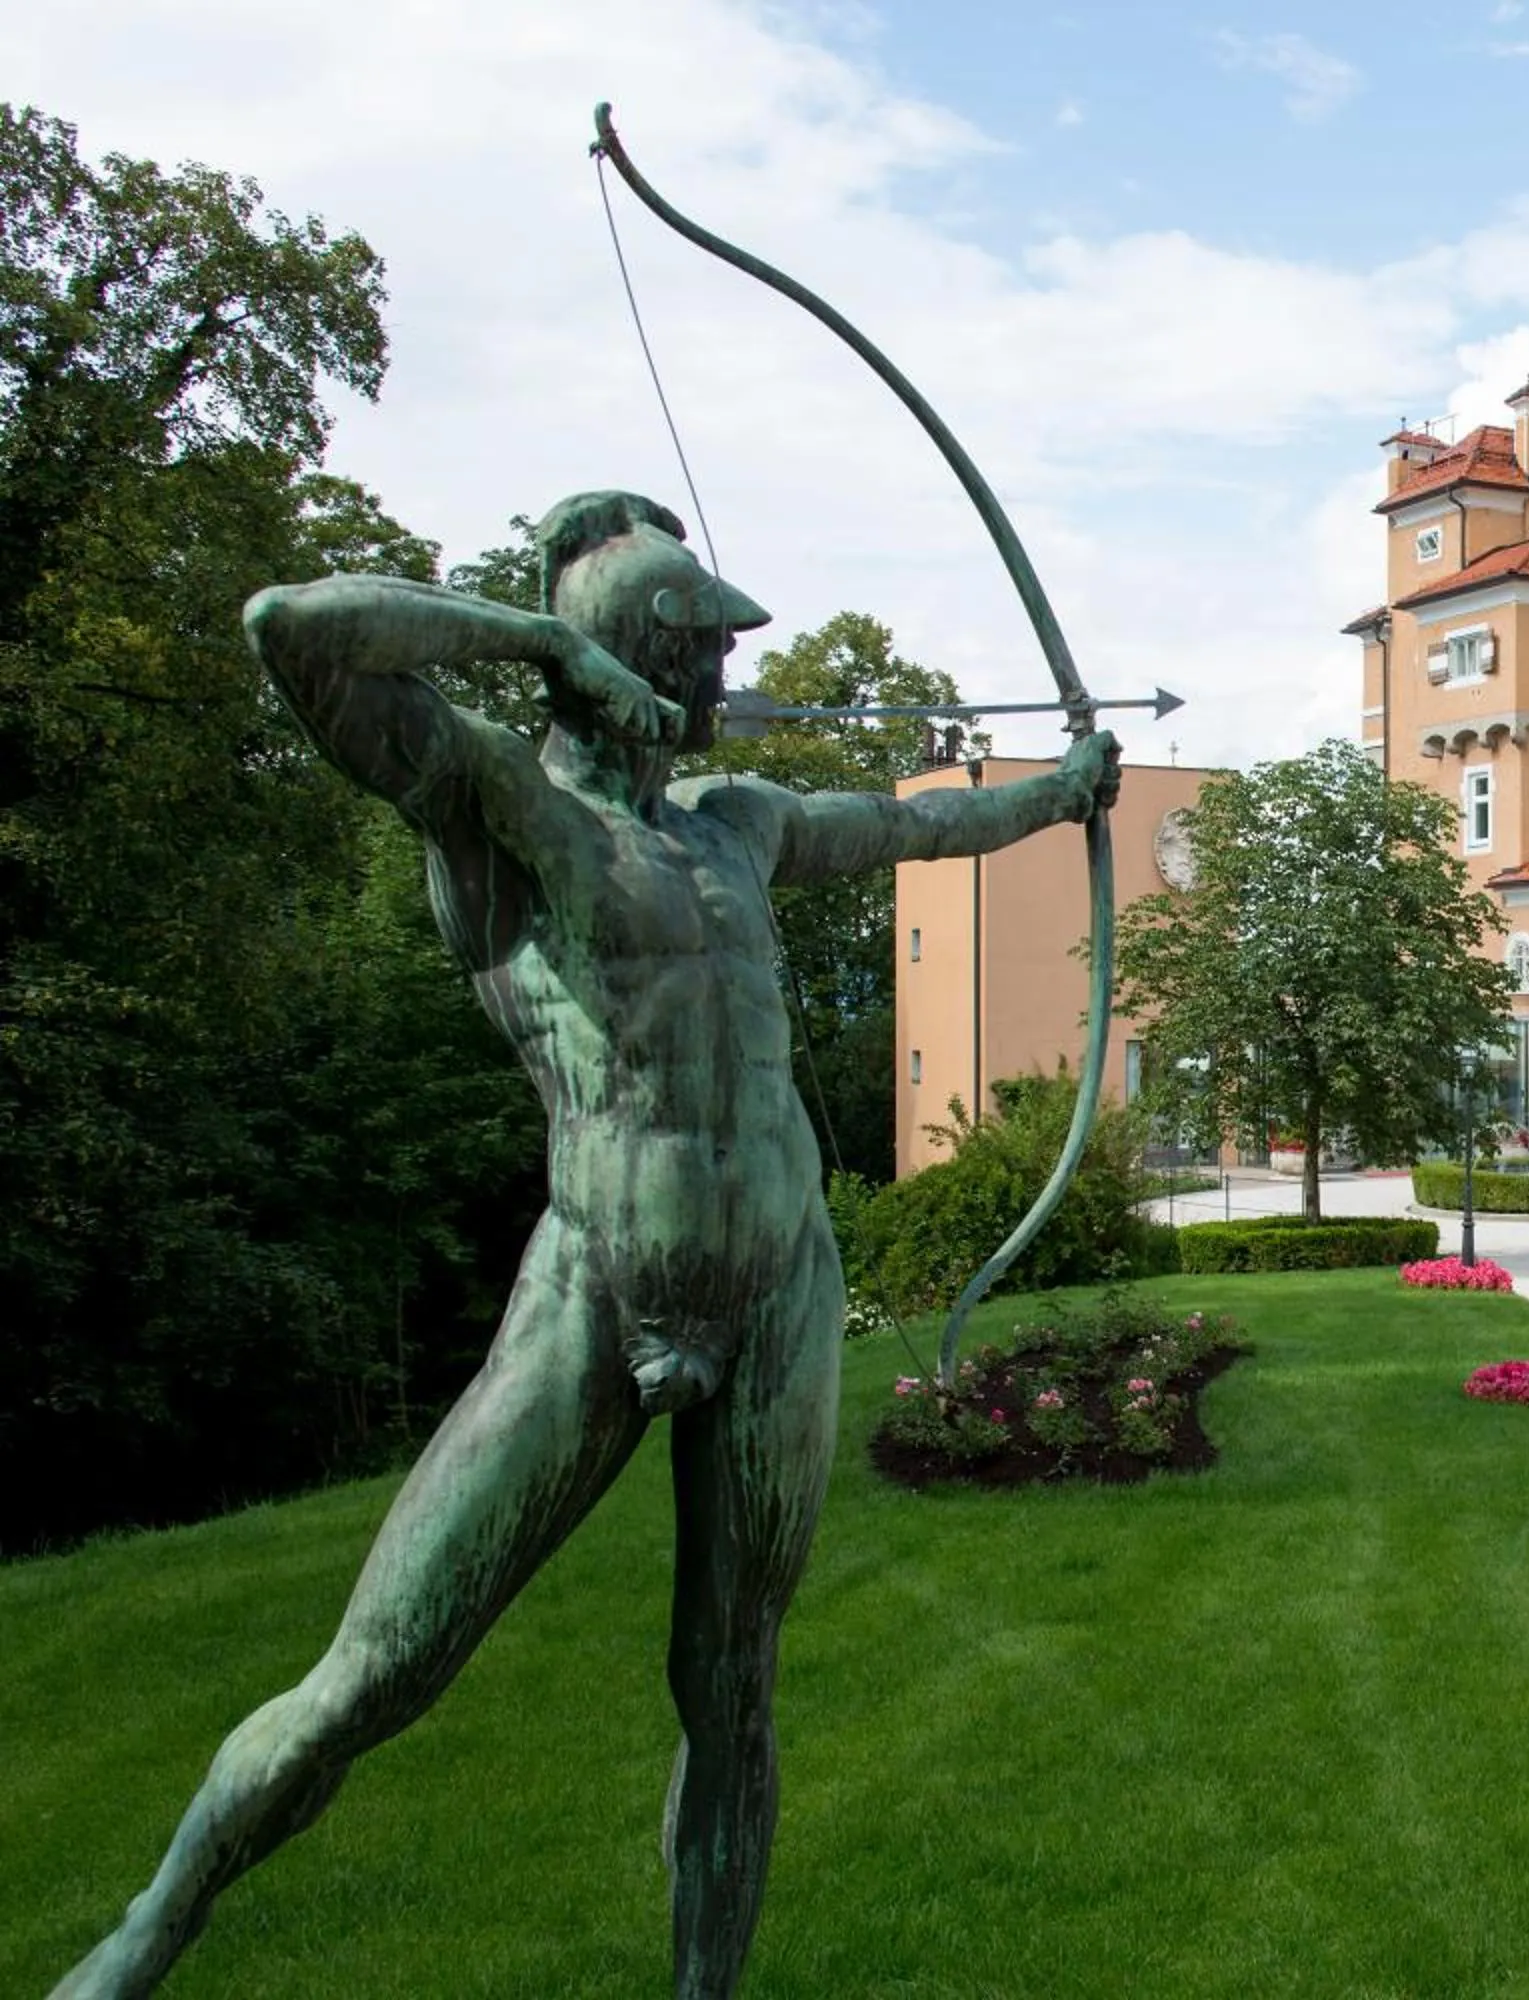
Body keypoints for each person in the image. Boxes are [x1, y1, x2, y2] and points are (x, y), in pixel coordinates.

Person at [53, 490, 1119, 2000]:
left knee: (731, 1688)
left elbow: (915, 824)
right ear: (632, 660)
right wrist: (537, 646)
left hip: (780, 1289)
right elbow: (292, 630)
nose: (726, 685)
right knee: (378, 1673)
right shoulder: (507, 812)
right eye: (701, 655)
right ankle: (150, 1932)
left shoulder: (738, 829)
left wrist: (1063, 792)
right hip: (596, 1284)